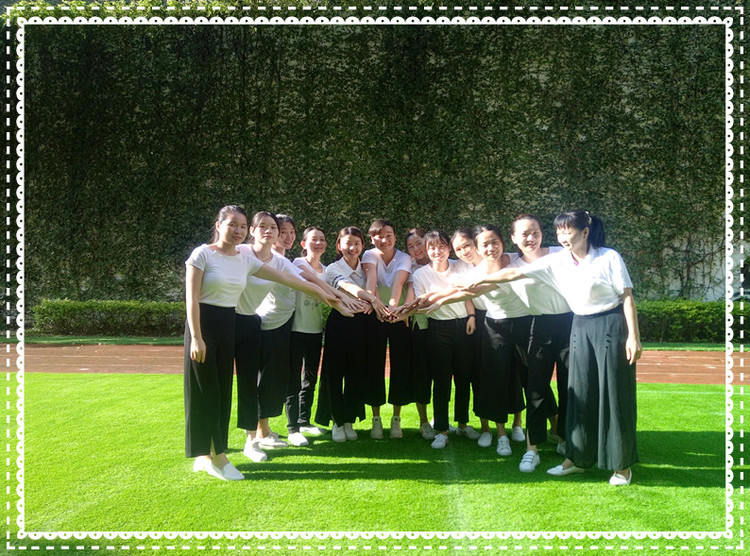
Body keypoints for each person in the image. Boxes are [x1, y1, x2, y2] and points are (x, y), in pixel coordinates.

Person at [469, 210, 641, 485]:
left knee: (604, 393)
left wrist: (634, 337)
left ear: (585, 232)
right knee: (569, 391)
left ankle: (620, 465)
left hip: (600, 325)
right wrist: (472, 283)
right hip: (566, 326)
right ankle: (569, 457)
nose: (562, 236)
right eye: (559, 231)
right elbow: (511, 272)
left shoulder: (602, 256)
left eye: (567, 230)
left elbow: (627, 296)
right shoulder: (555, 260)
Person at [234, 212, 345, 461]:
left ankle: (263, 431)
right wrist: (336, 300)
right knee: (256, 382)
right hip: (257, 324)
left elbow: (310, 282)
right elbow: (305, 281)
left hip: (282, 326)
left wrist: (338, 300)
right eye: (281, 231)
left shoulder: (282, 261)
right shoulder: (248, 253)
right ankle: (253, 438)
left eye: (289, 232)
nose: (286, 236)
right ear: (254, 230)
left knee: (271, 382)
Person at [185, 205, 261, 481]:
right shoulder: (202, 254)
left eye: (242, 226)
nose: (238, 230)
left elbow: (287, 277)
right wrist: (197, 337)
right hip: (203, 326)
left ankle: (206, 455)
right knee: (205, 393)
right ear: (218, 225)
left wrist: (327, 295)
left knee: (222, 392)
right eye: (232, 224)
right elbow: (192, 298)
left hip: (229, 324)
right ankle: (218, 458)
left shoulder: (245, 258)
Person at [507, 214, 573, 473]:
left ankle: (567, 440)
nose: (531, 238)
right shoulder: (511, 263)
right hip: (538, 326)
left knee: (571, 388)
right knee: (535, 388)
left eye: (535, 232)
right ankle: (531, 449)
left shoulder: (561, 253)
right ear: (514, 238)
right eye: (524, 234)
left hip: (570, 325)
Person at [451, 227, 524, 448]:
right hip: (480, 321)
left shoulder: (509, 260)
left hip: (509, 318)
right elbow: (462, 294)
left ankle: (518, 423)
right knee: (482, 374)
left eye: (466, 245)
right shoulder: (462, 268)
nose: (464, 252)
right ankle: (487, 428)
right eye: (458, 249)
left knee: (515, 371)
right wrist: (472, 315)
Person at [316, 227, 387, 441]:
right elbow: (346, 286)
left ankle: (348, 419)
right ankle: (337, 420)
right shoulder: (332, 268)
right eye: (347, 243)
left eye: (357, 243)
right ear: (339, 245)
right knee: (335, 373)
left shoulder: (367, 268)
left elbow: (373, 287)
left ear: (362, 246)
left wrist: (373, 300)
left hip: (363, 326)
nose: (352, 247)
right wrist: (373, 300)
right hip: (340, 323)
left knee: (356, 373)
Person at [410, 230, 479, 449]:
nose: (437, 251)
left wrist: (471, 316)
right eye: (432, 247)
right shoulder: (420, 275)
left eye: (441, 246)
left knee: (464, 379)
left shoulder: (462, 266)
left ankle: (463, 423)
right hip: (438, 329)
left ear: (449, 248)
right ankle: (442, 429)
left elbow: (467, 293)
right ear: (426, 250)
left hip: (464, 326)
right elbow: (422, 304)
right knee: (441, 381)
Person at [361, 219, 413, 439]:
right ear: (372, 238)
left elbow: (398, 284)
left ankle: (396, 419)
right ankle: (376, 420)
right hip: (376, 314)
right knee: (374, 365)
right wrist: (378, 307)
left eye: (388, 235)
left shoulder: (404, 257)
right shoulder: (369, 255)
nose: (384, 240)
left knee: (401, 365)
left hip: (399, 315)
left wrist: (393, 309)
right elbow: (371, 281)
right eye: (379, 236)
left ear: (395, 236)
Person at [288, 227, 332, 437]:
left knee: (310, 379)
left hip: (315, 331)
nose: (319, 243)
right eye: (314, 239)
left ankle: (304, 421)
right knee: (293, 380)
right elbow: (315, 284)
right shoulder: (298, 263)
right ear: (304, 244)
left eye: (322, 239)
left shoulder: (327, 270)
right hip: (296, 330)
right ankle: (293, 428)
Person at [403, 228, 435, 440]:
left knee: (442, 374)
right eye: (410, 246)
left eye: (419, 243)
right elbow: (410, 294)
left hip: (445, 325)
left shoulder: (443, 262)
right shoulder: (409, 269)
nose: (416, 249)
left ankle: (440, 419)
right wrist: (403, 311)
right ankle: (424, 422)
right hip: (420, 328)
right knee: (421, 375)